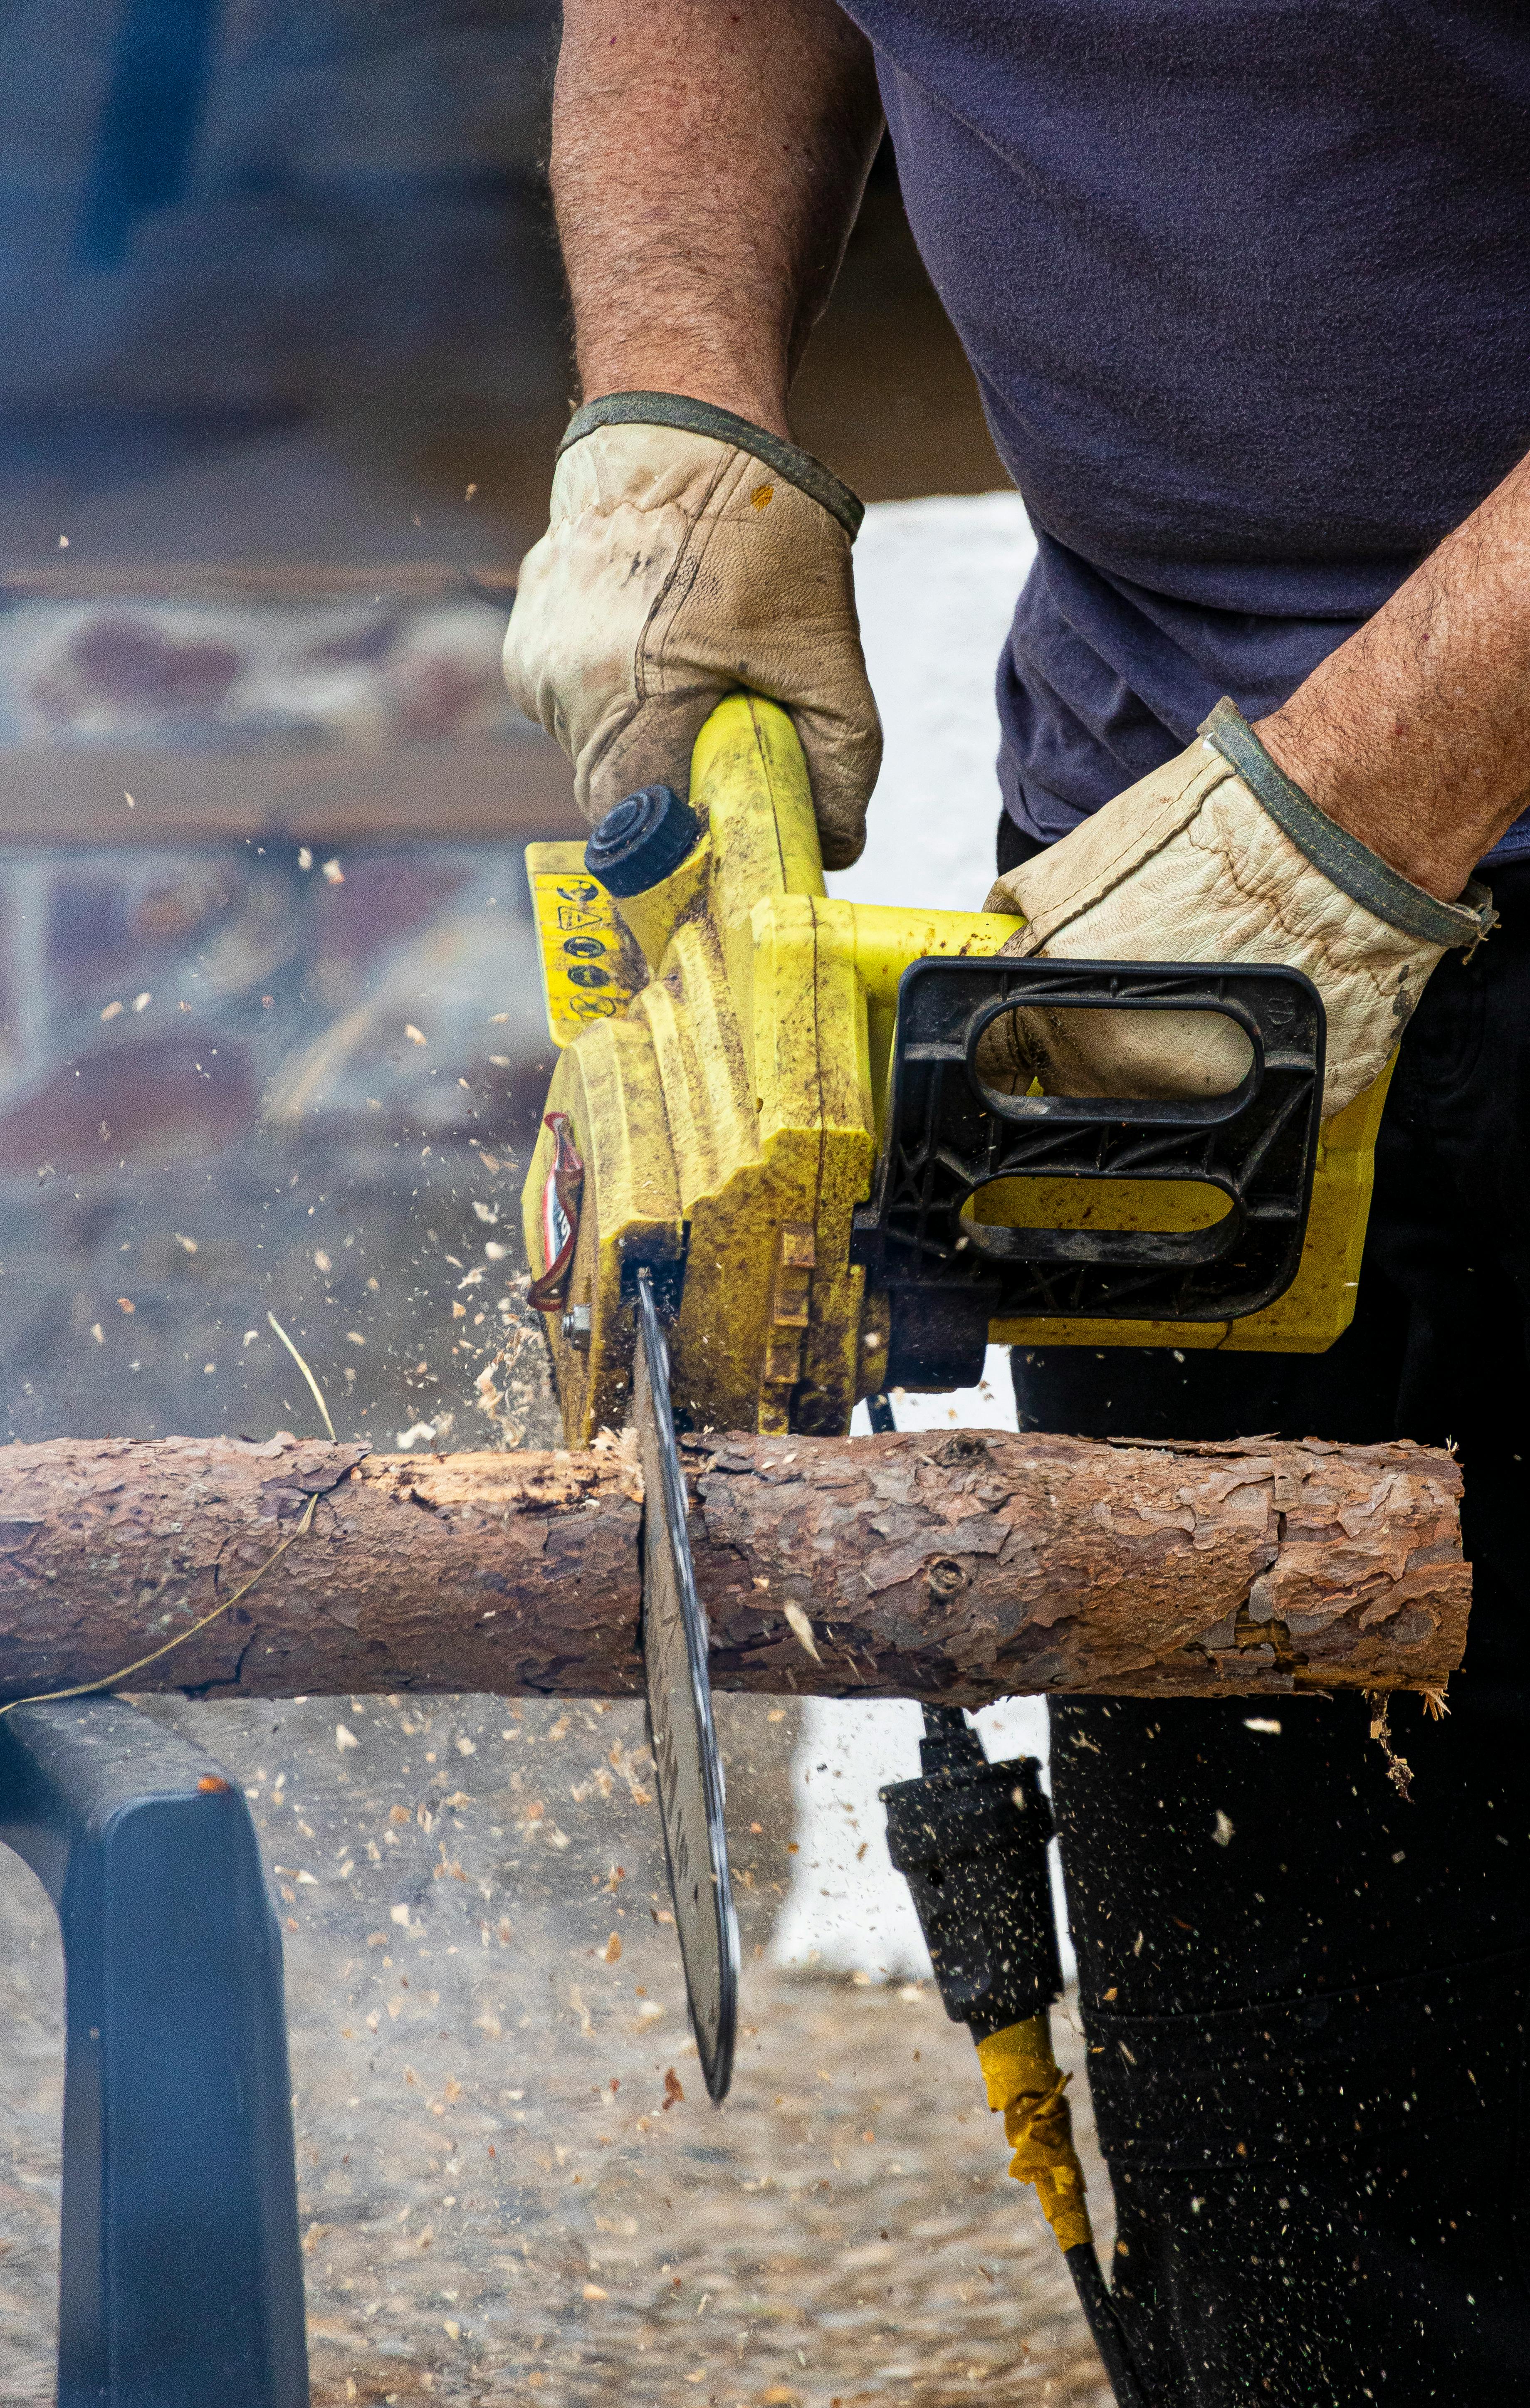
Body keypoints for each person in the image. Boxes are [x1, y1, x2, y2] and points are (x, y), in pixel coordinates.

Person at [503, 5, 1530, 2396]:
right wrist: (676, 404)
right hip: (1165, 925)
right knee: (1306, 2184)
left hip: (1301, 867)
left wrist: (1359, 804)